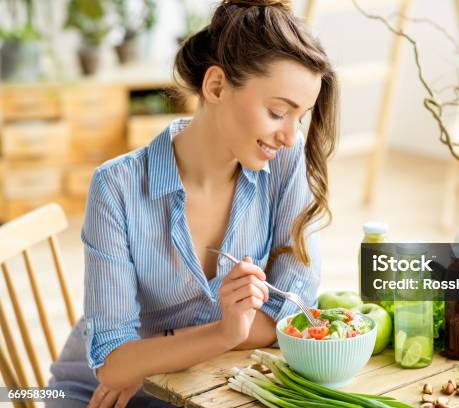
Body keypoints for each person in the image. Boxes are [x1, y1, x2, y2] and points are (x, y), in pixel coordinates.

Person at [47, 0, 338, 406]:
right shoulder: (117, 187)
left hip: (199, 384)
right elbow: (113, 364)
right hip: (100, 396)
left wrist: (151, 354)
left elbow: (290, 314)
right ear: (216, 86)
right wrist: (225, 332)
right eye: (277, 112)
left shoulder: (287, 163)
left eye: (300, 117)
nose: (290, 136)